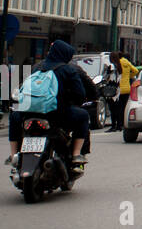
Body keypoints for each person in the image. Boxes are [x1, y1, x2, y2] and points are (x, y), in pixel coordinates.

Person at [7, 39, 91, 167]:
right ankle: (75, 154)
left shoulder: (36, 67)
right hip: (56, 115)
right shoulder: (68, 70)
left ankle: (13, 155)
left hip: (28, 112)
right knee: (84, 116)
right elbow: (79, 95)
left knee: (14, 117)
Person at [110, 52, 139, 134]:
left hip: (118, 89)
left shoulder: (116, 64)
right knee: (123, 108)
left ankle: (117, 125)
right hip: (127, 88)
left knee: (116, 108)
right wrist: (129, 76)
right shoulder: (126, 62)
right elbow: (136, 70)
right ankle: (122, 124)